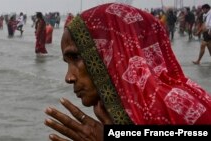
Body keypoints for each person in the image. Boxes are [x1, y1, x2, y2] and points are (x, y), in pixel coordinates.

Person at [45, 3, 211, 141]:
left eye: (76, 57)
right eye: (67, 62)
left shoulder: (176, 107)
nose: (68, 77)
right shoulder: (120, 110)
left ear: (114, 52)